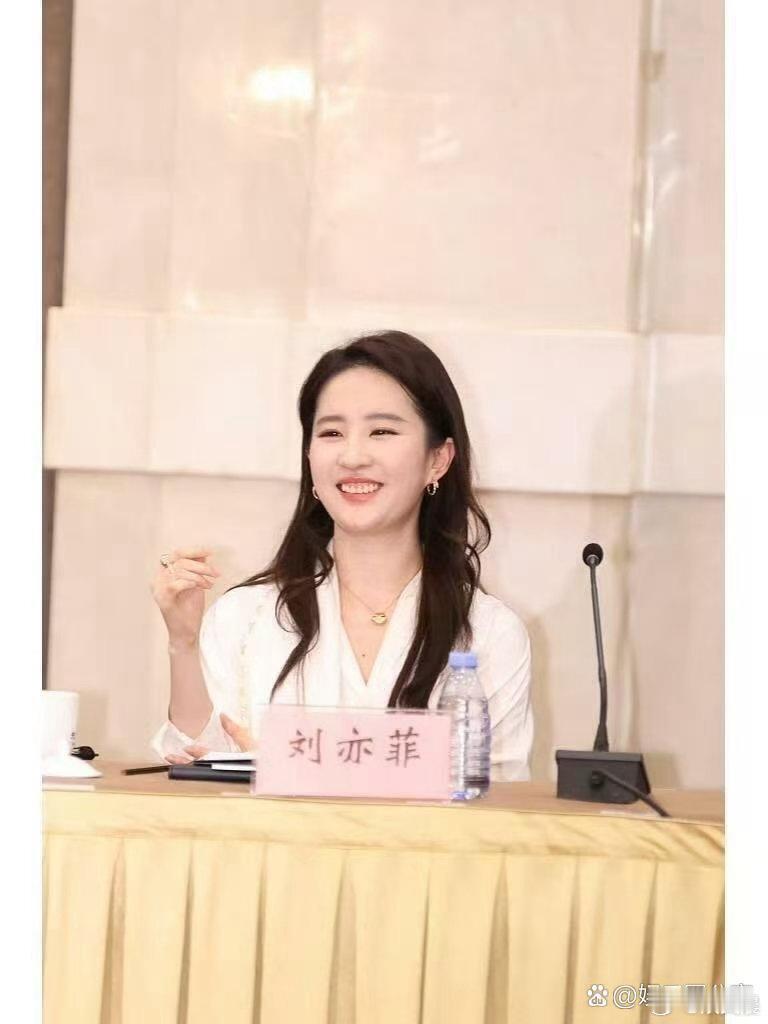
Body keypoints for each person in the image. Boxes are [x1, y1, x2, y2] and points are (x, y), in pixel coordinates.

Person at [150, 331, 533, 780]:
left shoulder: (489, 632)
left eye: (382, 431)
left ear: (438, 460)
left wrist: (298, 770)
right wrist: (183, 643)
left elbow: (498, 799)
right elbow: (202, 775)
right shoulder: (244, 617)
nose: (352, 456)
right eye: (331, 432)